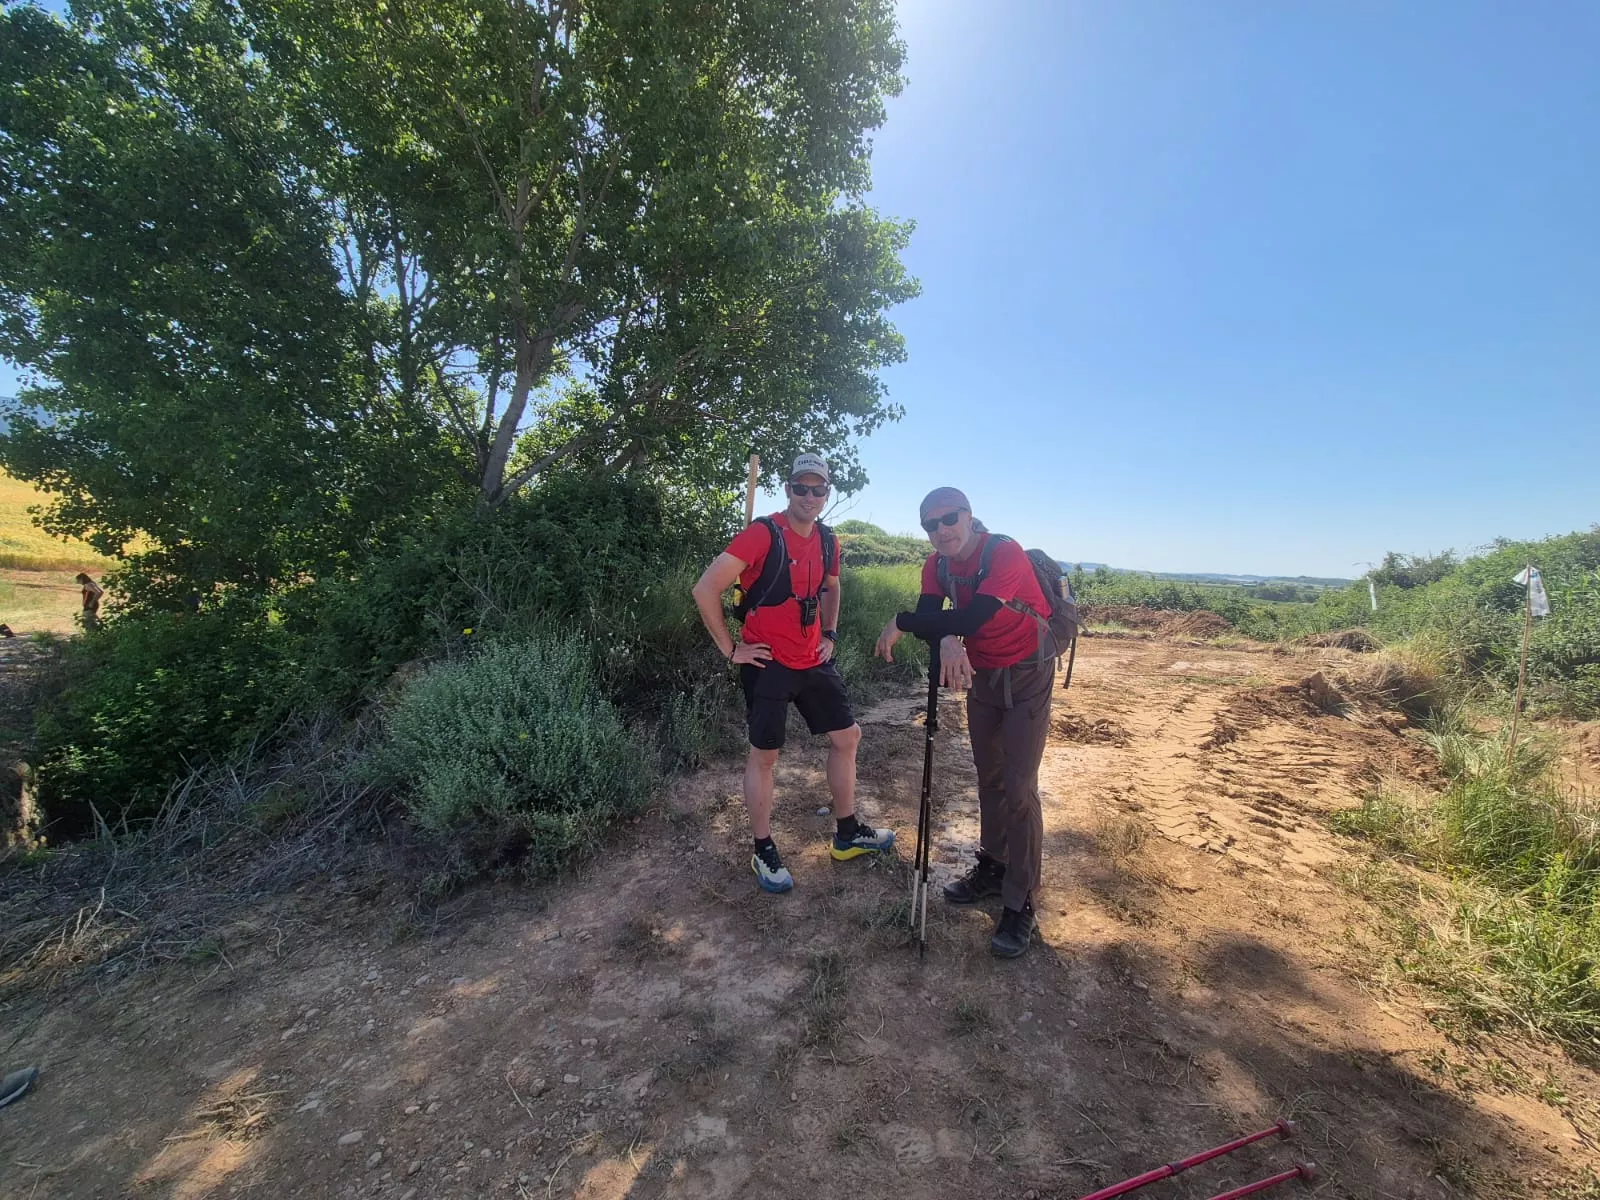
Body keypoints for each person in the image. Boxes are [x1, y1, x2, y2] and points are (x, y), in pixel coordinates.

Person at [692, 453, 894, 893]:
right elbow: (705, 587)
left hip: (813, 660)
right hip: (767, 663)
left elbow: (831, 587)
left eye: (817, 488)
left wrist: (832, 634)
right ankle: (763, 848)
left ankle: (846, 833)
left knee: (847, 737)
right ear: (787, 489)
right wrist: (731, 650)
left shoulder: (827, 540)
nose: (809, 495)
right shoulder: (762, 534)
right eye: (800, 487)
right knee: (765, 756)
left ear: (827, 493)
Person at [874, 487, 1054, 958]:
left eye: (949, 519)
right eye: (930, 525)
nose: (941, 531)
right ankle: (994, 866)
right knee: (989, 778)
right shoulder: (935, 566)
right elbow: (939, 620)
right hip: (983, 674)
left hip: (1028, 672)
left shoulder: (1004, 554)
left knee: (1019, 787)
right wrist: (946, 642)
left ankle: (1022, 900)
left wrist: (904, 621)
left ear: (970, 517)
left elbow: (973, 616)